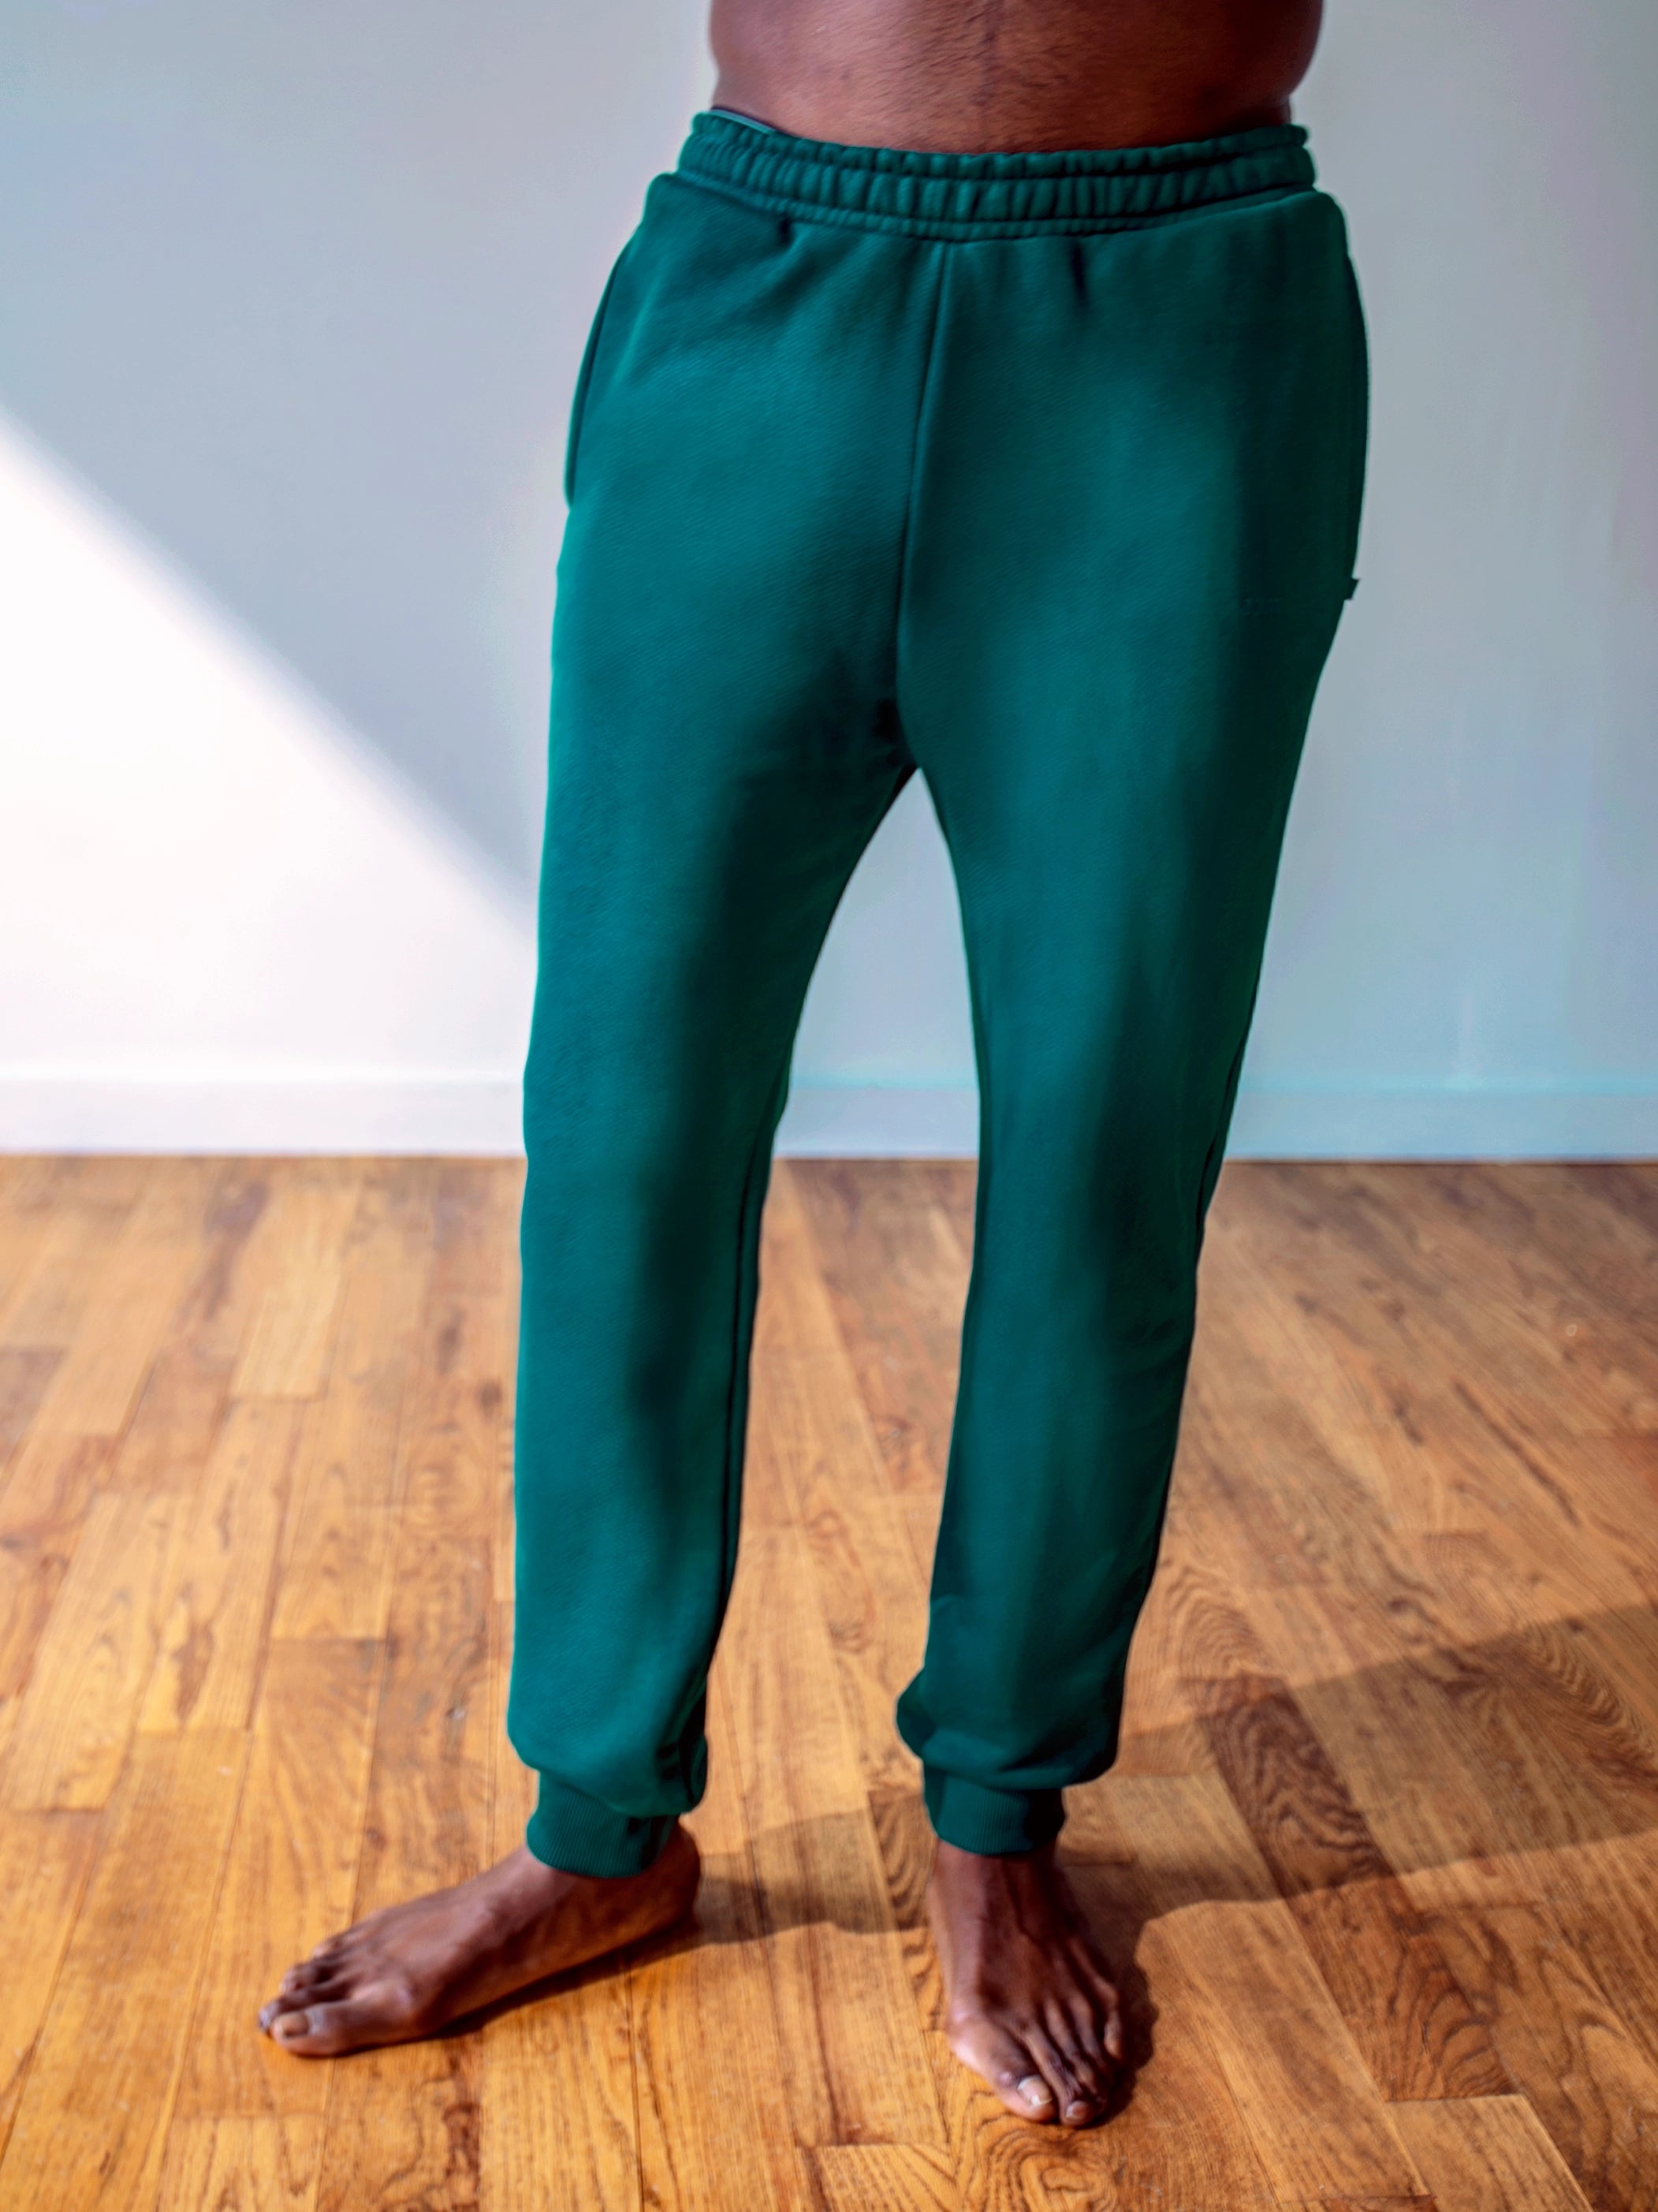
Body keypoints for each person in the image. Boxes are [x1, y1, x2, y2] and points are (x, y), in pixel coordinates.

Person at [260, 0, 1365, 2131]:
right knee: (624, 1116)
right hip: (762, 289)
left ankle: (1001, 1814)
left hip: (1177, 317)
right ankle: (595, 1829)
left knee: (1105, 1131)